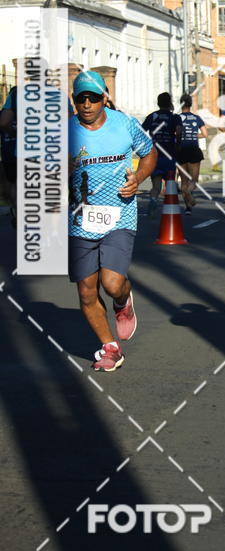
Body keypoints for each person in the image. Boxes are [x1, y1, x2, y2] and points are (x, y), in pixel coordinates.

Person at [68, 71, 157, 372]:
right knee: (86, 291)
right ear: (74, 101)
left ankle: (122, 300)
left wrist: (139, 179)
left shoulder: (125, 125)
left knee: (112, 282)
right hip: (80, 220)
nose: (88, 104)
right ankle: (110, 348)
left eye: (93, 97)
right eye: (82, 98)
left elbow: (149, 154)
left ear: (105, 97)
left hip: (120, 214)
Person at [142, 92, 182, 214]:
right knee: (170, 184)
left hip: (154, 155)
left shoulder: (152, 116)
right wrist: (178, 144)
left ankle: (153, 199)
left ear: (158, 103)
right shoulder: (174, 117)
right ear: (170, 103)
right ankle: (170, 209)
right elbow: (179, 132)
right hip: (169, 154)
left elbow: (142, 131)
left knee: (156, 185)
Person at [177, 94, 208, 213]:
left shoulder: (177, 118)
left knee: (183, 181)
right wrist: (193, 135)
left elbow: (177, 133)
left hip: (181, 151)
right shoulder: (197, 118)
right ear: (190, 104)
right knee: (193, 181)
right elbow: (205, 134)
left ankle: (188, 207)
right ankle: (189, 193)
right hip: (194, 150)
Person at [0, 85, 17, 227]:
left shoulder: (15, 98)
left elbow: (4, 123)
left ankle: (18, 212)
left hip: (11, 154)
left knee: (14, 183)